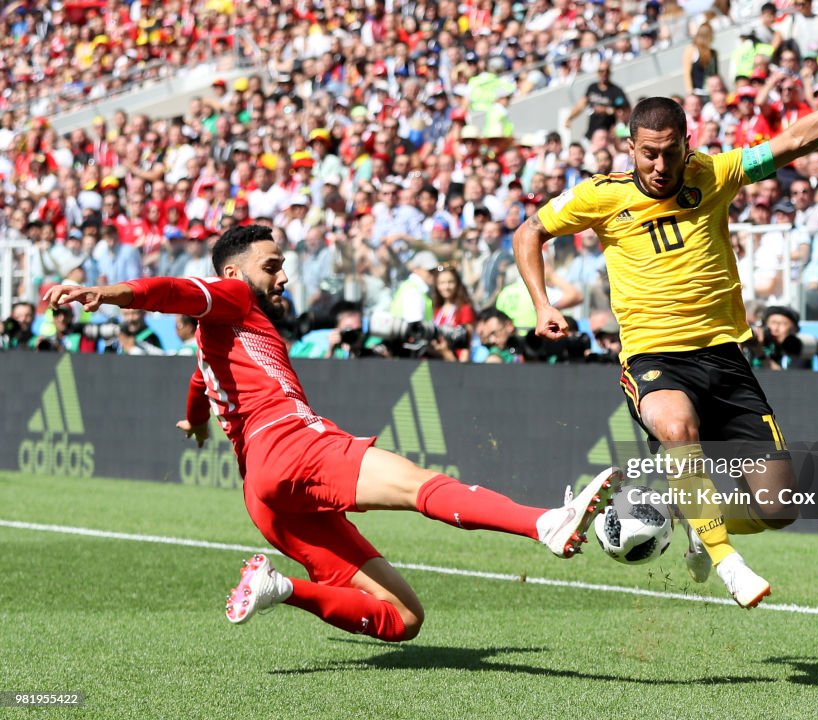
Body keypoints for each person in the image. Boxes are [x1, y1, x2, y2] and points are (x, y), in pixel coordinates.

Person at [45, 225, 621, 642]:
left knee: (403, 619)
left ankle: (281, 589)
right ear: (234, 273)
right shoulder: (235, 296)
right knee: (421, 486)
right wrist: (109, 293)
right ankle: (545, 522)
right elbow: (172, 291)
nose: (282, 273)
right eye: (271, 264)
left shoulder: (215, 341)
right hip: (292, 444)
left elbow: (200, 383)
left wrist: (196, 421)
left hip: (265, 495)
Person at [513, 43, 818, 608]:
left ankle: (693, 519)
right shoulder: (599, 196)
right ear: (630, 148)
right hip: (654, 356)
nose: (659, 166)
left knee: (778, 508)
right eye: (649, 154)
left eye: (670, 153)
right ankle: (727, 562)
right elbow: (529, 231)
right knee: (676, 430)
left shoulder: (715, 174)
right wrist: (542, 304)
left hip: (725, 357)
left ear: (687, 145)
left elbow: (799, 139)